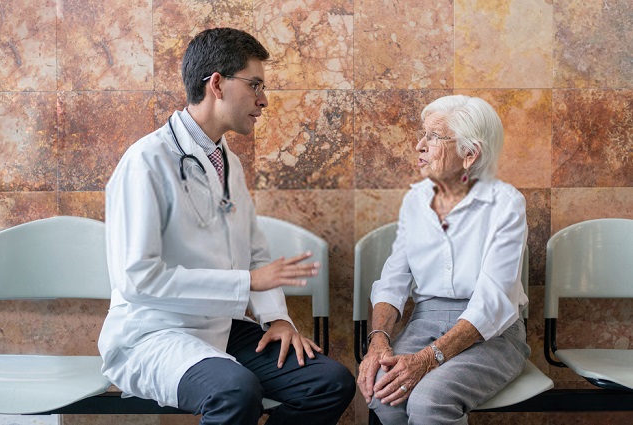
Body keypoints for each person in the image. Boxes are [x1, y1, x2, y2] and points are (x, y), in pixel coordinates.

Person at [98, 27, 355, 425]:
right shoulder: (146, 162)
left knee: (329, 382)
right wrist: (247, 284)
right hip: (155, 332)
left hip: (221, 325)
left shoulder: (226, 161)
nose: (263, 100)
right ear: (216, 84)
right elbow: (138, 279)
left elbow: (255, 250)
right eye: (254, 85)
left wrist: (278, 319)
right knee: (235, 390)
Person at [357, 95, 531, 425]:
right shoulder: (416, 200)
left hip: (492, 331)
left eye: (434, 137)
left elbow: (492, 303)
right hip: (426, 319)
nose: (420, 145)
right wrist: (378, 341)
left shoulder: (507, 205)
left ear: (470, 154)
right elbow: (394, 279)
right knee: (383, 391)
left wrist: (427, 359)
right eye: (423, 134)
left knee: (428, 402)